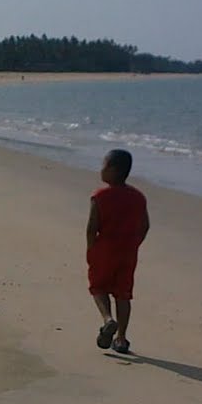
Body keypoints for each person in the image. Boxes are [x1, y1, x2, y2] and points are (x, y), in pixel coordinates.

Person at [86, 148, 150, 354]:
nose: (101, 169)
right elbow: (145, 226)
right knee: (123, 294)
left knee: (98, 287)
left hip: (104, 248)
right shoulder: (138, 197)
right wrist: (135, 244)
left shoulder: (100, 196)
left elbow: (92, 228)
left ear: (113, 170)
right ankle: (121, 338)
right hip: (128, 252)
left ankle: (108, 319)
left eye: (104, 165)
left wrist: (91, 248)